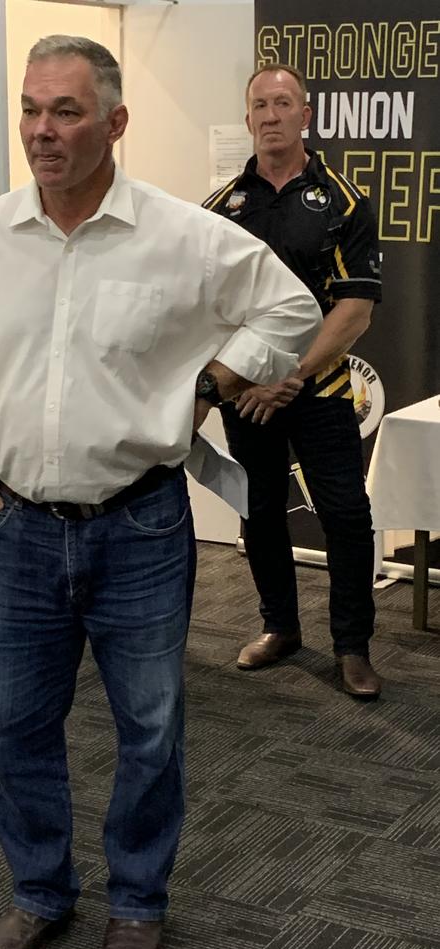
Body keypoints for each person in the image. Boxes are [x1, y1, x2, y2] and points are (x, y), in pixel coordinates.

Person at [0, 37, 320, 949]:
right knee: (16, 729)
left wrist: (214, 378)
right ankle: (41, 893)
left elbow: (290, 311)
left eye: (67, 111)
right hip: (16, 530)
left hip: (140, 526)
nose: (42, 132)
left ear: (116, 122)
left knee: (150, 728)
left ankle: (138, 899)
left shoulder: (185, 236)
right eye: (31, 109)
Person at [204, 63, 382, 698]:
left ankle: (353, 647)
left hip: (322, 390)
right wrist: (234, 381)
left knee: (344, 515)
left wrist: (288, 373)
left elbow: (354, 311)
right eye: (260, 105)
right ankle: (279, 627)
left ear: (306, 116)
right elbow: (209, 312)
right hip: (245, 396)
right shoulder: (219, 210)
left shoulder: (343, 201)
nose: (271, 115)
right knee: (260, 510)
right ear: (248, 118)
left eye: (283, 104)